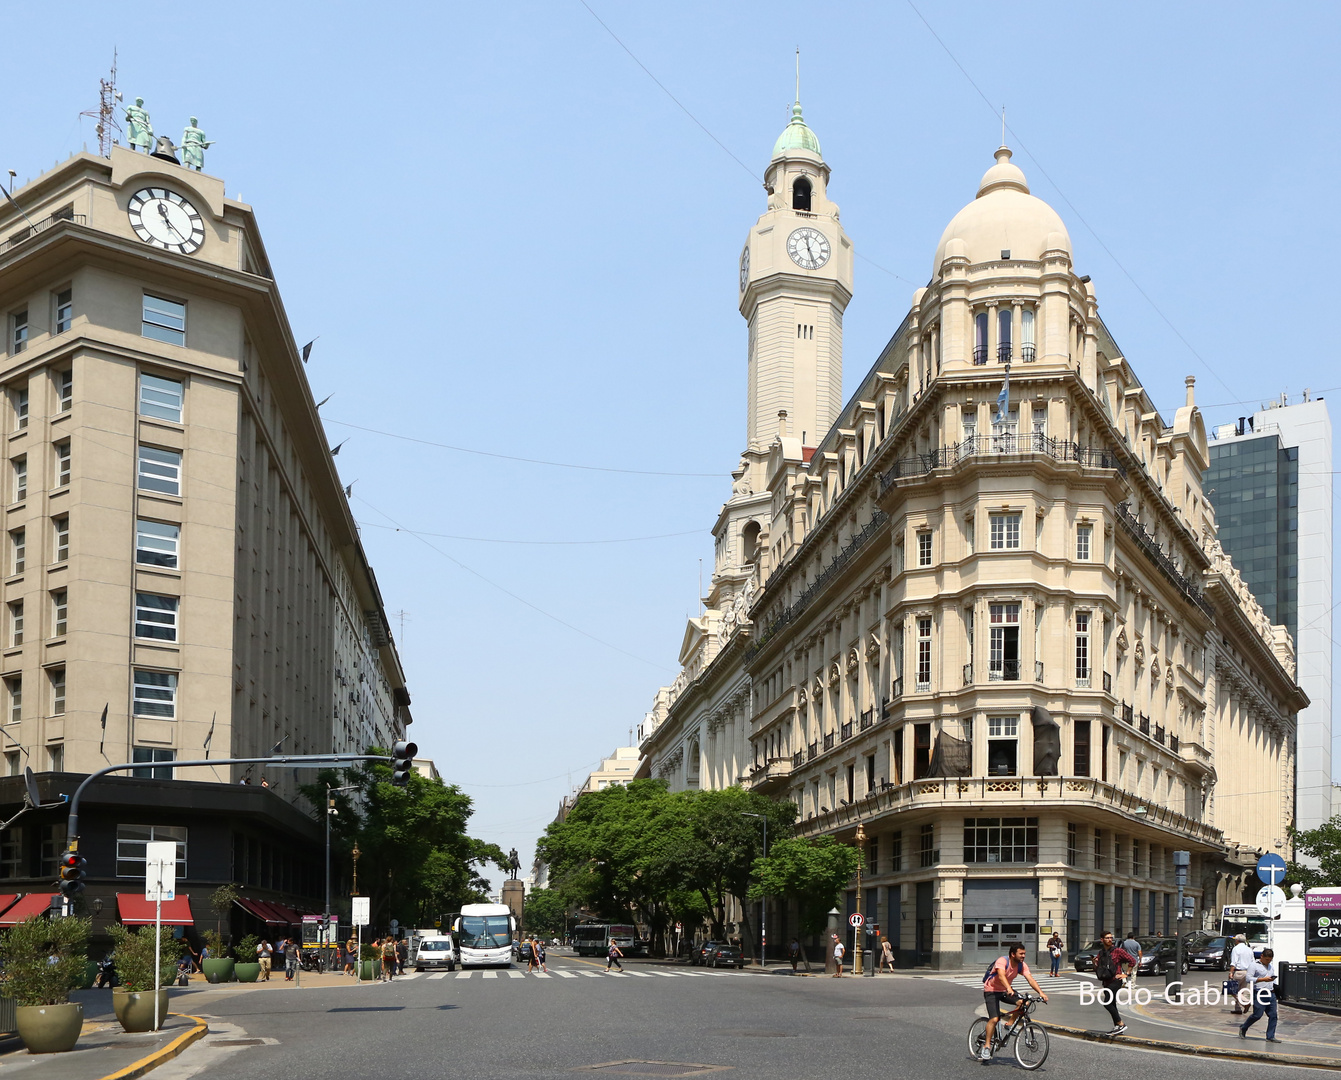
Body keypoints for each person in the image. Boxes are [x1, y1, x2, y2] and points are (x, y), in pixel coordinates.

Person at [1091, 930, 1136, 1036]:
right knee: (1111, 1003)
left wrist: (1126, 973)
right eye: (1107, 938)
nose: (1110, 940)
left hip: (1116, 980)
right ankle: (1117, 1026)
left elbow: (1132, 961)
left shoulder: (1117, 951)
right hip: (1106, 981)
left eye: (1111, 938)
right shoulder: (1101, 952)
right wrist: (1095, 963)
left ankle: (1121, 1024)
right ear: (1102, 940)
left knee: (1107, 1002)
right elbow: (1098, 967)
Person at [1238, 948, 1279, 1043]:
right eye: (1267, 959)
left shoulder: (1270, 966)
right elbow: (1248, 978)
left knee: (1273, 1015)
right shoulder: (1254, 965)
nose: (1268, 962)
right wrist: (1262, 979)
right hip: (1260, 993)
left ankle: (1270, 1036)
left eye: (1270, 960)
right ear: (1262, 956)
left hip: (1271, 993)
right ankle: (1244, 1027)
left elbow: (1272, 979)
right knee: (1257, 1015)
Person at [1228, 934, 1256, 1015]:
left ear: (1237, 940)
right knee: (1241, 991)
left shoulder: (1236, 949)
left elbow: (1234, 962)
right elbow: (1252, 962)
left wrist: (1231, 972)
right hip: (1247, 972)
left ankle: (1246, 1002)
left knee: (1232, 990)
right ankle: (1238, 1008)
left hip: (1239, 971)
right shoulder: (1249, 950)